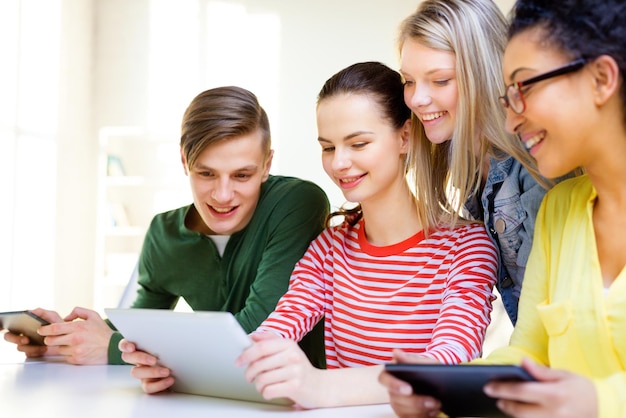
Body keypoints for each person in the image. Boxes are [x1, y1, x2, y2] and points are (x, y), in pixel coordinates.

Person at [121, 62, 499, 408]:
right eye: (328, 147)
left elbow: (449, 363)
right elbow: (273, 333)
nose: (339, 163)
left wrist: (319, 386)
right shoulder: (329, 249)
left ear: (404, 137)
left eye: (358, 143)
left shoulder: (467, 247)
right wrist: (174, 368)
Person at [380, 0, 626, 416]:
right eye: (508, 94)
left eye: (525, 87)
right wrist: (447, 389)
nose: (511, 119)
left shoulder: (538, 186)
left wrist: (597, 402)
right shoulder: (561, 208)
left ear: (601, 79)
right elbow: (528, 352)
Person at [2, 86, 328, 368]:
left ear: (267, 165)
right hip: (209, 401)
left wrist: (112, 348)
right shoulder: (165, 233)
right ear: (185, 162)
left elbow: (255, 332)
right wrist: (65, 338)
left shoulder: (297, 203)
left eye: (242, 175)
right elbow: (138, 327)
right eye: (206, 173)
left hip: (296, 405)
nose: (223, 195)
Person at [398, 0, 559, 324]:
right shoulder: (469, 166)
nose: (417, 99)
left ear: (484, 74)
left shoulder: (539, 170)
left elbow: (556, 319)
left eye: (440, 80)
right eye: (409, 81)